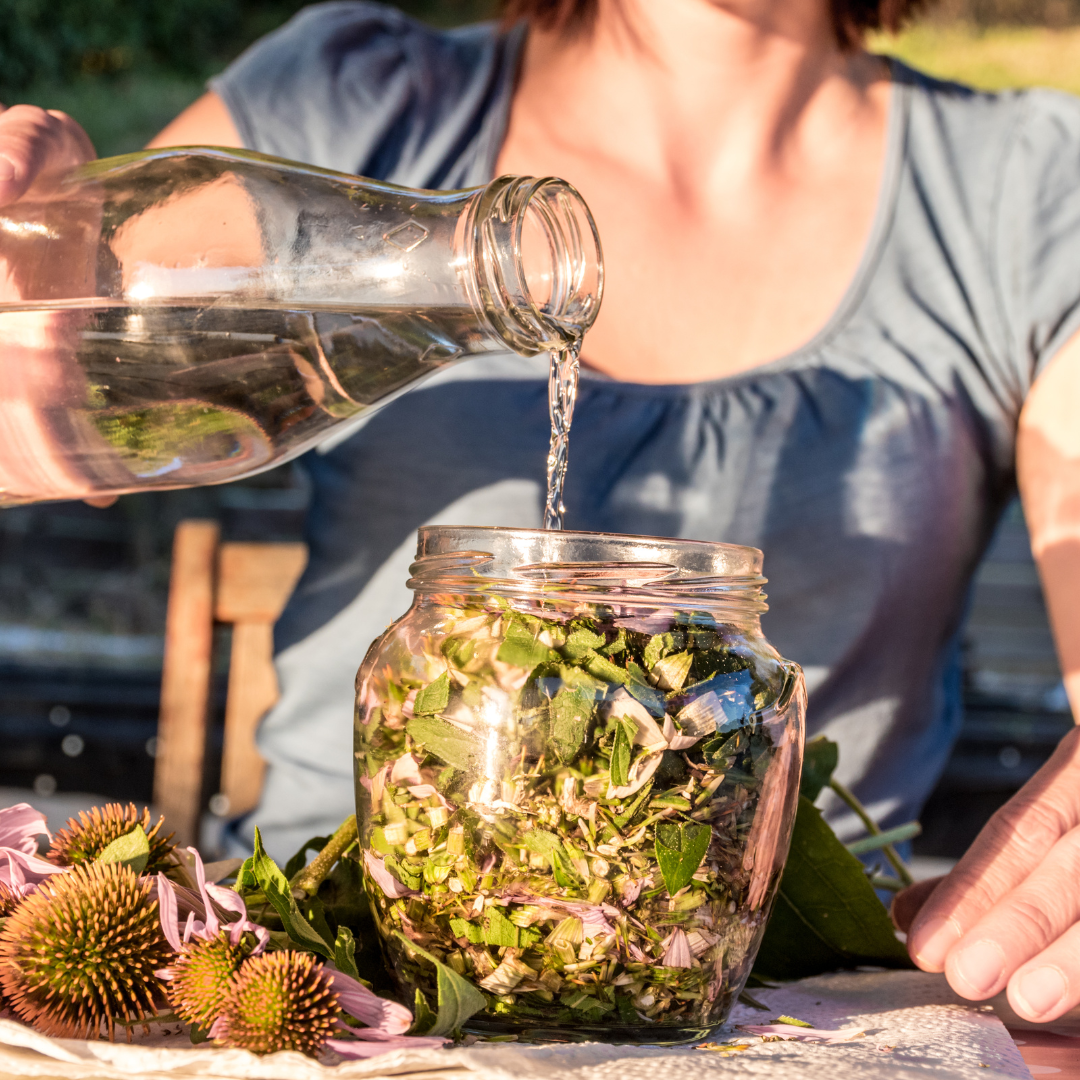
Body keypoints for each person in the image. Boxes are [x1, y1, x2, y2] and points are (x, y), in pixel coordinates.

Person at [2, 0, 1080, 1026]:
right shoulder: (357, 102)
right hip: (325, 980)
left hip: (785, 1004)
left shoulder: (1024, 187)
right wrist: (30, 336)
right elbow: (72, 378)